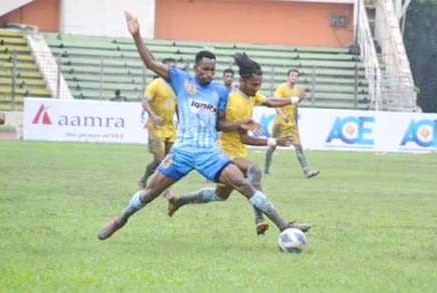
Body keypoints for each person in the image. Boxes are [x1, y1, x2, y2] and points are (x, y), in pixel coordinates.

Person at [97, 11, 311, 241]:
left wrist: (240, 123)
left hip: (209, 152)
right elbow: (150, 62)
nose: (209, 74)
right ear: (196, 68)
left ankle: (284, 226)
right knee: (150, 193)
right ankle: (121, 220)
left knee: (243, 184)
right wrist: (137, 35)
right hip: (182, 151)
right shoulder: (180, 79)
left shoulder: (219, 92)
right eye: (205, 69)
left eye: (212, 70)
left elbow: (219, 124)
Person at [167, 53, 307, 235]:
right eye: (254, 85)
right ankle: (260, 218)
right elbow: (243, 137)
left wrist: (295, 99)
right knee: (254, 171)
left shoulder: (250, 95)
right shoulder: (233, 100)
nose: (257, 89)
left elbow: (270, 101)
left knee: (220, 195)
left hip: (238, 152)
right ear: (242, 81)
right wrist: (274, 141)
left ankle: (179, 201)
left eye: (259, 85)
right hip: (223, 152)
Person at [264, 69, 319, 179]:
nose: (294, 77)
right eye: (292, 75)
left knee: (298, 146)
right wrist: (282, 115)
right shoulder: (281, 88)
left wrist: (302, 94)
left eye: (296, 76)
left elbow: (296, 105)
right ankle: (266, 170)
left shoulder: (297, 90)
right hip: (279, 123)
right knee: (272, 146)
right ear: (288, 76)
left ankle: (306, 171)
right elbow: (275, 103)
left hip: (291, 124)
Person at [137, 57, 178, 190]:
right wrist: (154, 116)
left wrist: (183, 121)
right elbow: (145, 102)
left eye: (173, 67)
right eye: (168, 67)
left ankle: (144, 178)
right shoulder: (155, 84)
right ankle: (162, 188)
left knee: (168, 160)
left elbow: (177, 105)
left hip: (170, 128)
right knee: (160, 160)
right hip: (155, 128)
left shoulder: (176, 85)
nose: (170, 69)